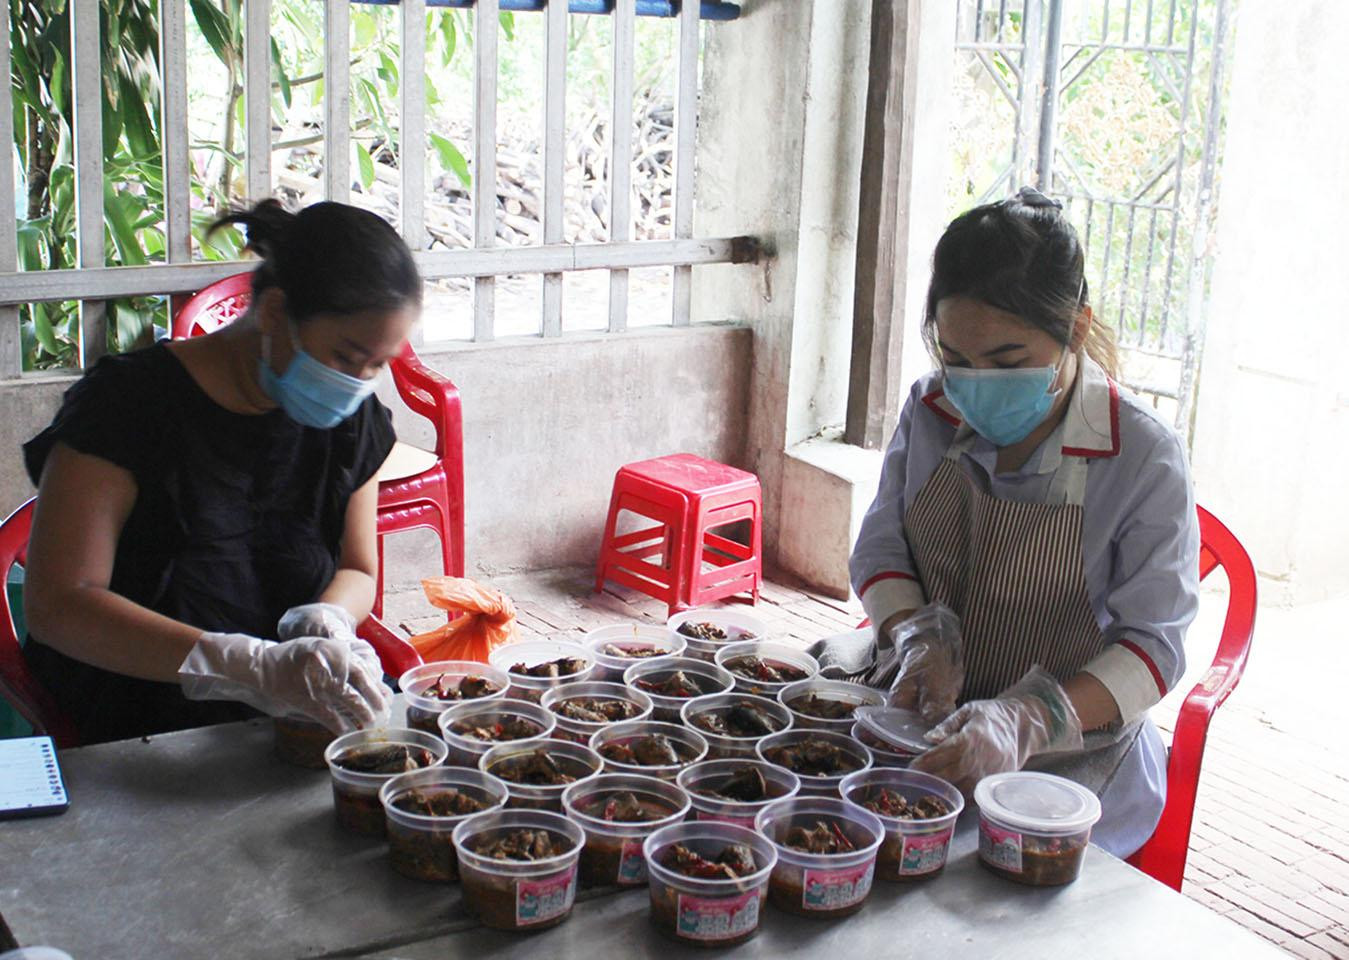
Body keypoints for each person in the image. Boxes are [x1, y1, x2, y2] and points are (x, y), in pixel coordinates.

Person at [847, 187, 1199, 858]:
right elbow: (881, 545)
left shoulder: (1142, 456)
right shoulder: (930, 409)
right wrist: (914, 633)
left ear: (1075, 326)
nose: (974, 383)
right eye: (954, 359)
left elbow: (1154, 650)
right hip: (920, 710)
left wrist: (1030, 715)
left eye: (1006, 363)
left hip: (1067, 750)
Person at [20, 199, 419, 743]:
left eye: (379, 363)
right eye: (347, 357)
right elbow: (59, 605)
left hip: (291, 711)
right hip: (141, 720)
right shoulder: (127, 407)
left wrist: (326, 623)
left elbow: (358, 570)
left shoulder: (353, 422)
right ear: (275, 313)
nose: (359, 382)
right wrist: (241, 666)